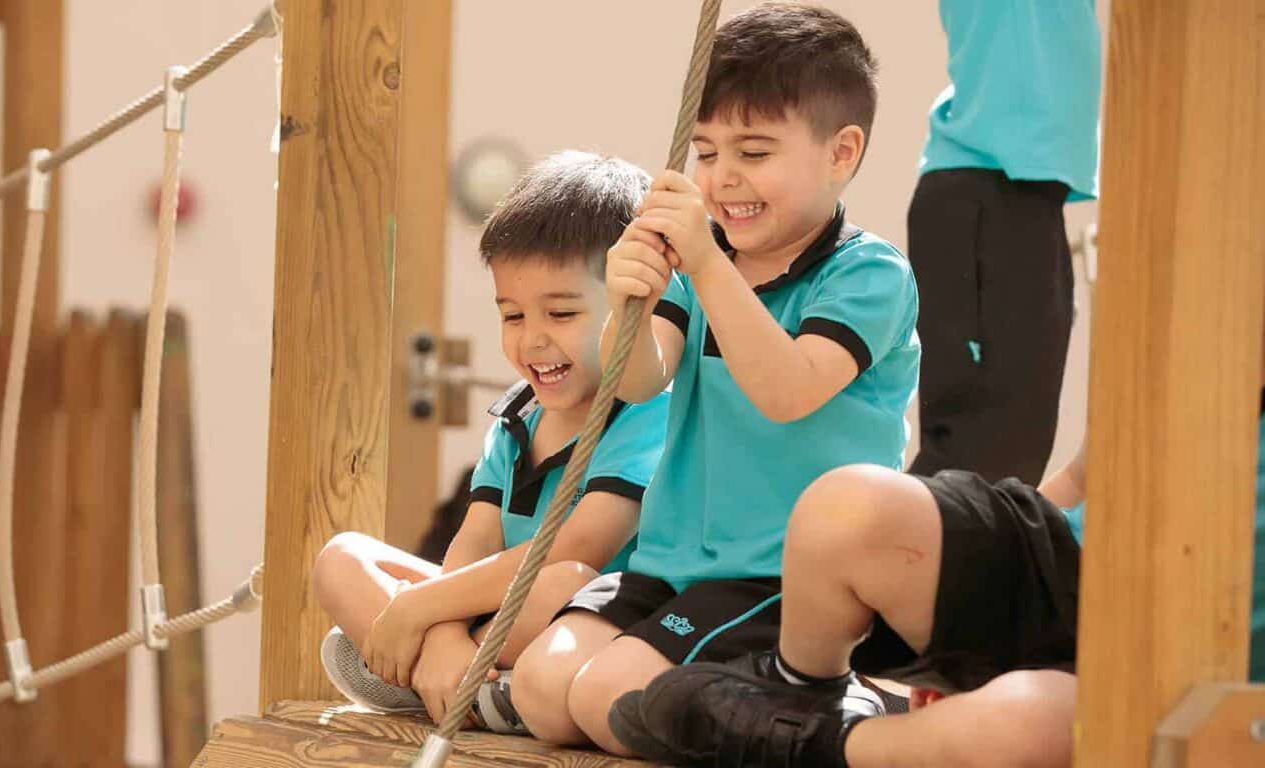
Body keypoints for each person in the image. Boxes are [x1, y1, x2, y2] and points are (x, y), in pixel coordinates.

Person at [509, 4, 920, 755]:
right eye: (706, 152)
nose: (723, 179)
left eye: (754, 153)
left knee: (610, 698)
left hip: (781, 578)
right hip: (672, 562)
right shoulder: (700, 263)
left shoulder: (868, 275)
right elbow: (638, 379)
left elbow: (787, 389)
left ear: (842, 152)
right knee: (542, 690)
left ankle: (840, 716)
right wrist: (625, 304)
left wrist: (702, 262)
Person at [608, 402, 1265, 767]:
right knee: (846, 508)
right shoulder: (1201, 313)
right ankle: (804, 686)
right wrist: (967, 600)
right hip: (1071, 564)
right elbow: (1085, 477)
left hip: (1172, 656)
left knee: (1023, 736)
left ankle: (820, 743)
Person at [310, 151, 671, 733]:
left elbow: (572, 551)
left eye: (561, 313)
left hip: (585, 621)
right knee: (343, 557)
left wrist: (418, 609)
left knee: (566, 580)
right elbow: (473, 540)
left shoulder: (647, 408)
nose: (533, 341)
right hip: (488, 608)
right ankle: (449, 673)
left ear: (633, 306)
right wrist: (447, 632)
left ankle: (435, 670)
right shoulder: (518, 416)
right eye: (512, 316)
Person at [907, 0, 1102, 483]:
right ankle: (877, 552)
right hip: (986, 188)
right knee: (979, 453)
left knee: (1014, 453)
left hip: (1028, 196)